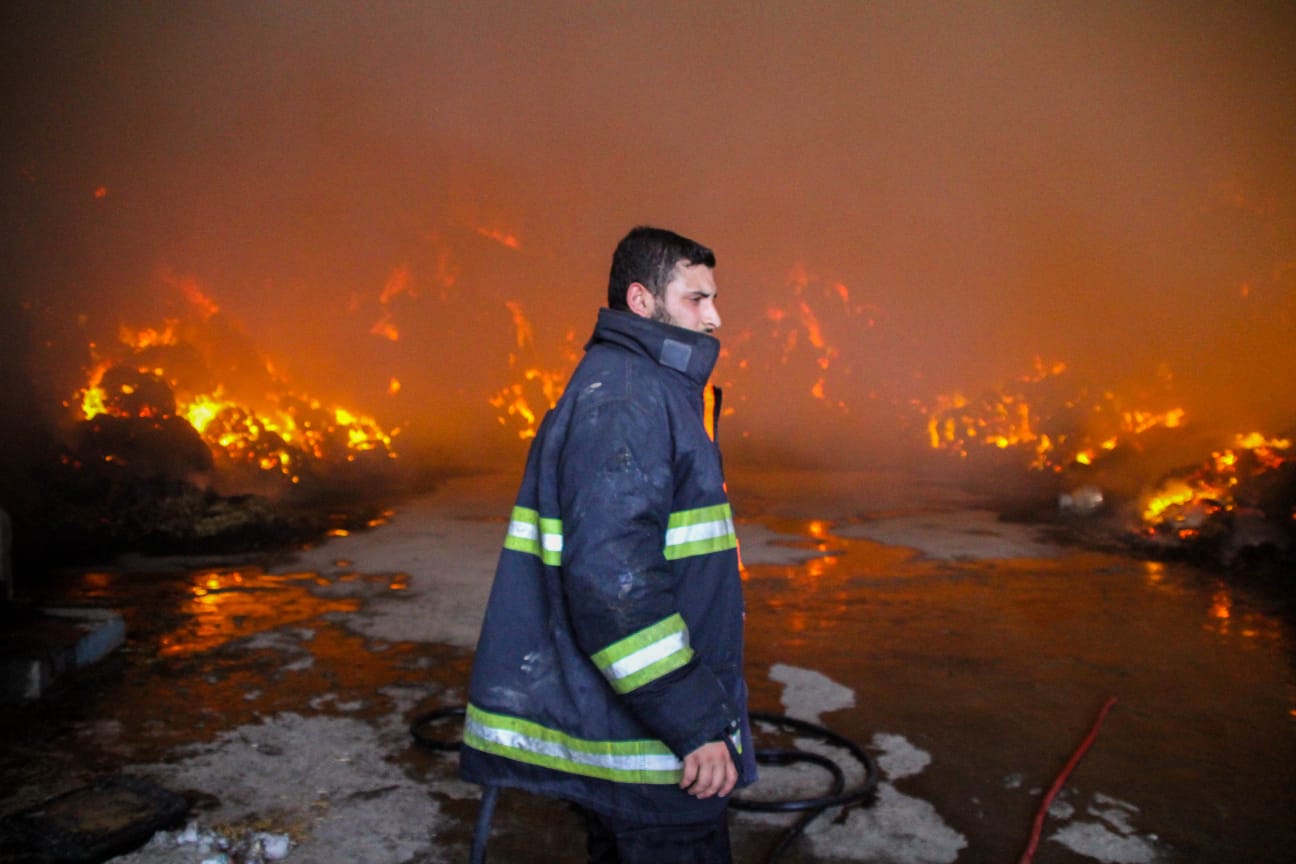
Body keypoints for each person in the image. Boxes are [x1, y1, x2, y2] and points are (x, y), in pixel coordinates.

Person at [459, 226, 755, 862]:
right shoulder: (628, 399)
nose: (716, 317)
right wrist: (695, 722)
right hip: (654, 760)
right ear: (642, 301)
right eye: (697, 299)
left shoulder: (650, 391)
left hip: (646, 738)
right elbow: (613, 583)